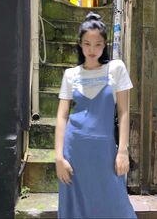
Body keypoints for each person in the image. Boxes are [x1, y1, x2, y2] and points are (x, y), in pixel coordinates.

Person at [55, 12, 137, 218]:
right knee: (76, 209)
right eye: (87, 43)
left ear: (105, 45)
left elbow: (124, 111)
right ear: (80, 44)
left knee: (116, 206)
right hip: (74, 151)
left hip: (105, 151)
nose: (92, 50)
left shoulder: (116, 69)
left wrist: (123, 151)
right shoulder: (70, 75)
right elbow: (62, 116)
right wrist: (58, 158)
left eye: (98, 44)